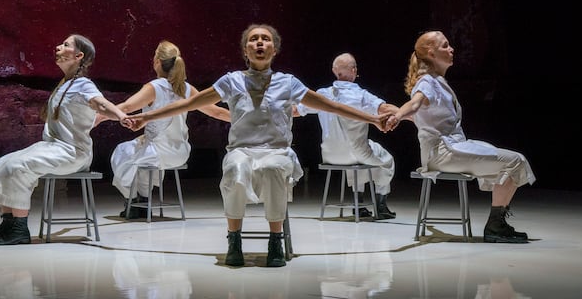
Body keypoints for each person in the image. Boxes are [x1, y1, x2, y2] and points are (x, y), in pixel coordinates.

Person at [128, 24, 391, 267]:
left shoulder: (288, 83)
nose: (260, 43)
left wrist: (373, 119)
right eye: (254, 39)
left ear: (274, 50)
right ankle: (234, 239)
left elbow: (332, 106)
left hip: (277, 150)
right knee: (235, 168)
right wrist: (147, 117)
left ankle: (275, 241)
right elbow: (188, 103)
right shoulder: (231, 80)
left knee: (273, 169)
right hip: (241, 150)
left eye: (265, 39)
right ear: (246, 50)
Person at [0, 34, 133, 245]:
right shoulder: (64, 84)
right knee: (3, 164)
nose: (58, 46)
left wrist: (120, 116)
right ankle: (8, 224)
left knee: (17, 167)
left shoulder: (83, 84)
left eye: (66, 45)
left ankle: (19, 229)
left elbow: (101, 104)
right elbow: (92, 115)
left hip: (72, 152)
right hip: (52, 147)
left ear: (78, 56)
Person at [389, 30, 536, 243]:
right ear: (431, 53)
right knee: (514, 161)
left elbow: (422, 118)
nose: (451, 49)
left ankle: (497, 223)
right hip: (443, 152)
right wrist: (398, 115)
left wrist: (400, 116)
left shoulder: (437, 81)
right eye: (445, 45)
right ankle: (495, 226)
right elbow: (414, 104)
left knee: (512, 160)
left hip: (450, 148)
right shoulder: (427, 82)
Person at [101, 40, 231, 219]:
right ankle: (140, 201)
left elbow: (126, 107)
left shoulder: (154, 87)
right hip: (180, 152)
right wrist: (245, 119)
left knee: (122, 153)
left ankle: (135, 200)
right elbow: (216, 112)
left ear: (157, 62)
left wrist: (98, 117)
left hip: (157, 151)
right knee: (135, 153)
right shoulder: (187, 89)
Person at [296, 52, 398, 219]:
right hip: (358, 153)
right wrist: (408, 115)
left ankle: (359, 203)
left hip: (329, 155)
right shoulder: (361, 95)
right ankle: (381, 204)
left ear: (334, 71)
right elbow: (385, 109)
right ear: (354, 70)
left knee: (358, 156)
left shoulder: (322, 95)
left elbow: (296, 111)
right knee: (386, 160)